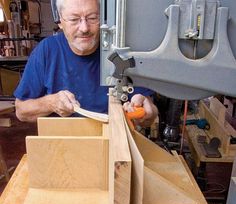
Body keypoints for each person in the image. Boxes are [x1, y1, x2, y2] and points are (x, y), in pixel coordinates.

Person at [14, 0, 158, 126]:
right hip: (62, 145)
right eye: (74, 19)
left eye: (92, 18)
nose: (84, 28)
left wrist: (147, 111)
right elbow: (21, 111)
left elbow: (148, 111)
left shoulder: (121, 50)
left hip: (112, 140)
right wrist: (50, 103)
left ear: (103, 19)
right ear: (60, 21)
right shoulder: (46, 51)